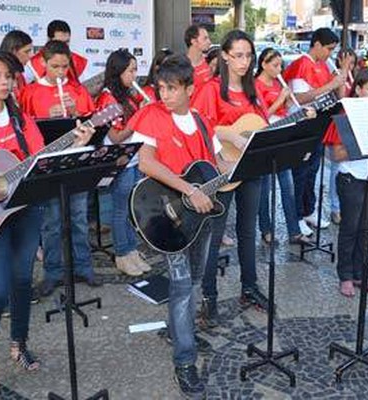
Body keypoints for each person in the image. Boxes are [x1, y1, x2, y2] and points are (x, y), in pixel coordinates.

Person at [0, 47, 93, 397]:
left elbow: (37, 162)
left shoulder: (22, 121)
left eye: (9, 76)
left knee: (20, 282)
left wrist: (76, 143)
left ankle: (19, 342)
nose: (5, 83)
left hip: (23, 211)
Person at [128, 54, 224, 397]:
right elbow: (146, 163)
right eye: (161, 88)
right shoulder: (153, 115)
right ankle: (185, 362)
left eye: (172, 89)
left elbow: (217, 165)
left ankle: (176, 328)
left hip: (199, 218)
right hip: (169, 216)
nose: (164, 95)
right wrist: (189, 190)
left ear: (189, 88)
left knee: (194, 280)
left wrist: (249, 160)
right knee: (183, 285)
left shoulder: (201, 121)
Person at [192, 30, 270, 328]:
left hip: (250, 169)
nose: (244, 61)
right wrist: (228, 135)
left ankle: (249, 287)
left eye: (248, 55)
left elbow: (261, 126)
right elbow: (199, 125)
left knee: (247, 231)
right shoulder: (211, 89)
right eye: (237, 55)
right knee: (213, 236)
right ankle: (208, 298)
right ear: (224, 55)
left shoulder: (254, 92)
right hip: (222, 169)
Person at [20, 40, 100, 297]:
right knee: (51, 222)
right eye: (55, 66)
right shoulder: (30, 92)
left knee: (78, 218)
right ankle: (53, 272)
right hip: (48, 164)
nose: (60, 72)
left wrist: (77, 111)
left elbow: (94, 122)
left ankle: (83, 266)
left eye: (65, 67)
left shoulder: (77, 90)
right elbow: (23, 128)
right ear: (43, 63)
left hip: (75, 161)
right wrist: (46, 120)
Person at [324, 69, 368, 297]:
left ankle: (361, 275)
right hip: (351, 179)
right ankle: (346, 275)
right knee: (350, 229)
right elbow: (336, 155)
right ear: (358, 89)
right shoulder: (346, 114)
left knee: (365, 229)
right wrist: (365, 146)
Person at [283, 27, 345, 235]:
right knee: (300, 173)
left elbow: (338, 91)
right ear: (317, 44)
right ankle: (298, 216)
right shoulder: (302, 65)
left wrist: (339, 76)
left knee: (313, 170)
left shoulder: (324, 64)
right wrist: (331, 85)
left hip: (319, 121)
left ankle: (309, 209)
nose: (330, 54)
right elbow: (299, 98)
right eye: (328, 48)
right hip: (301, 123)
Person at [95, 49, 151, 276]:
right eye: (131, 70)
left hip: (134, 157)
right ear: (118, 71)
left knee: (130, 207)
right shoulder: (108, 97)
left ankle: (131, 250)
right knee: (120, 209)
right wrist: (140, 117)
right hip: (120, 158)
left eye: (136, 69)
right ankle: (121, 253)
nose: (135, 75)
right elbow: (117, 136)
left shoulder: (127, 95)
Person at [255, 47, 311, 246]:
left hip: (283, 134)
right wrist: (280, 99)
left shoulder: (280, 84)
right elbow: (261, 115)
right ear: (263, 64)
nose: (279, 69)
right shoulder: (256, 85)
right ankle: (266, 229)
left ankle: (294, 232)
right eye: (275, 65)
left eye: (281, 65)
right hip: (266, 135)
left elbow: (284, 111)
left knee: (288, 186)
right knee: (265, 188)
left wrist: (288, 101)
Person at [329, 47, 358, 226]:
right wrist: (344, 70)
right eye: (348, 62)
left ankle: (344, 206)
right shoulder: (337, 75)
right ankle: (335, 208)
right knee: (335, 169)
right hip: (340, 126)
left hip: (354, 124)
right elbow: (341, 96)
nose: (351, 66)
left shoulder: (355, 78)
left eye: (353, 63)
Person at [27, 20, 88, 85]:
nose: (64, 45)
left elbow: (82, 88)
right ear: (49, 39)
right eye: (59, 42)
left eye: (67, 42)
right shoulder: (32, 63)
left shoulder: (78, 62)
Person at [0, 30, 33, 102]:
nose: (30, 56)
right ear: (13, 51)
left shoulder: (20, 76)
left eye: (30, 51)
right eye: (26, 52)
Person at [185, 24, 213, 93]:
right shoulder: (181, 65)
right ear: (194, 41)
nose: (209, 42)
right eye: (205, 38)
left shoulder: (210, 62)